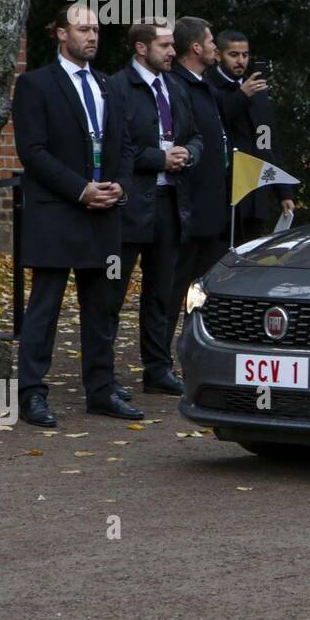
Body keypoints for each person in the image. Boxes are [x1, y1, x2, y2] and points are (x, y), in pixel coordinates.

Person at [12, 4, 143, 426]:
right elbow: (33, 151)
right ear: (60, 34)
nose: (92, 36)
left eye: (96, 29)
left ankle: (102, 390)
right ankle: (32, 393)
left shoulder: (108, 85)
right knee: (45, 308)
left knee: (102, 307)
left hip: (103, 212)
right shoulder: (35, 85)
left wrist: (120, 183)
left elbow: (125, 144)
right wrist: (79, 189)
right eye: (83, 28)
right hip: (57, 212)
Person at [107, 22, 201, 396]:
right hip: (129, 203)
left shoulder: (175, 87)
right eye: (164, 46)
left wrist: (188, 154)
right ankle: (103, 375)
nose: (173, 52)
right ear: (142, 48)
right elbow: (118, 147)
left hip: (170, 203)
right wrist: (158, 158)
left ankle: (158, 370)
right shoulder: (117, 87)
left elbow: (196, 137)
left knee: (162, 292)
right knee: (112, 293)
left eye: (173, 45)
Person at [168, 17, 230, 344]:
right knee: (174, 288)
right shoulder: (177, 86)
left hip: (212, 210)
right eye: (210, 42)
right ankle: (160, 361)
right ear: (195, 47)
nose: (214, 49)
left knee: (205, 291)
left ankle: (198, 346)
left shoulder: (205, 84)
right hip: (188, 210)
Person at [209, 29, 295, 243]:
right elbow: (215, 122)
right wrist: (241, 96)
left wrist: (284, 192)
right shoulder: (207, 85)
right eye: (234, 54)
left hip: (254, 192)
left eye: (245, 55)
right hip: (223, 193)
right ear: (218, 55)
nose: (240, 61)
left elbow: (266, 141)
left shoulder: (258, 92)